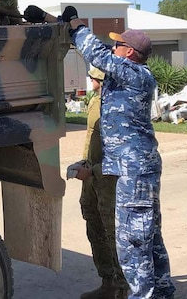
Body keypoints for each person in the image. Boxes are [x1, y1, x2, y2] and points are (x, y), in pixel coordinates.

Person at [31, 4, 174, 299]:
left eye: (118, 44)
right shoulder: (126, 72)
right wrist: (57, 22)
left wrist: (75, 22)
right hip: (133, 169)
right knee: (149, 238)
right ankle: (162, 292)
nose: (112, 46)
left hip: (132, 172)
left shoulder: (136, 74)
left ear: (130, 52)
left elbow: (95, 53)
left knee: (134, 242)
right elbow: (93, 48)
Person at [67, 66, 130, 299]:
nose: (91, 78)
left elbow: (124, 154)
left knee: (114, 233)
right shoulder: (95, 100)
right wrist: (84, 163)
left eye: (95, 76)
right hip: (92, 176)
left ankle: (123, 289)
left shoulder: (120, 107)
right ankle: (108, 282)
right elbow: (90, 135)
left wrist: (92, 171)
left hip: (109, 179)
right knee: (94, 227)